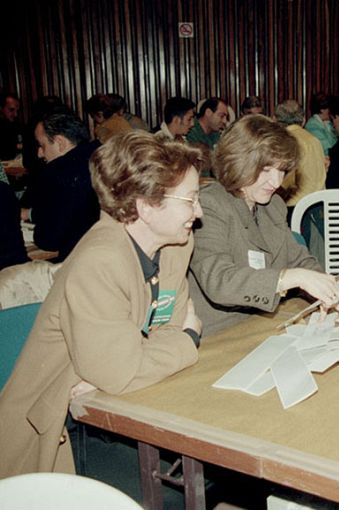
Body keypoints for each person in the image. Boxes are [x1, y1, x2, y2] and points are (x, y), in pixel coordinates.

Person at [0, 132, 204, 477]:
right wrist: (188, 340)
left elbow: (163, 328)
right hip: (60, 427)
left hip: (120, 403)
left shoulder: (176, 245)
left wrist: (130, 364)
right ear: (146, 207)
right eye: (190, 200)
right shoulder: (101, 260)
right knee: (177, 489)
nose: (198, 212)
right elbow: (127, 368)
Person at [189, 115, 339, 335]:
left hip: (264, 322)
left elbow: (299, 258)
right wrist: (292, 278)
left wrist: (327, 291)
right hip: (222, 332)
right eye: (266, 170)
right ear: (239, 162)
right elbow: (219, 281)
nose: (276, 182)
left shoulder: (272, 205)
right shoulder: (209, 204)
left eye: (282, 170)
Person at [27, 111, 101, 261]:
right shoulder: (104, 156)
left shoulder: (57, 173)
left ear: (60, 143)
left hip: (77, 263)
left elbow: (48, 240)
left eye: (42, 145)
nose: (39, 153)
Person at [274, 99, 326, 212]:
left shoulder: (283, 142)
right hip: (319, 205)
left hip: (293, 209)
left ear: (276, 120)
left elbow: (283, 183)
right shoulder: (315, 140)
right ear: (303, 120)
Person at [0, 91, 22, 160]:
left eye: (17, 111)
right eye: (11, 110)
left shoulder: (17, 125)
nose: (16, 114)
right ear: (1, 108)